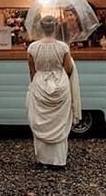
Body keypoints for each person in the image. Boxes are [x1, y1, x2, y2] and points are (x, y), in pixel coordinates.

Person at [26, 15, 81, 168]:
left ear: (41, 28)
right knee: (59, 121)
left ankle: (42, 160)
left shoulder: (32, 48)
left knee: (41, 121)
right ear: (55, 28)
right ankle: (58, 161)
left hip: (39, 84)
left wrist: (36, 85)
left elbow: (32, 71)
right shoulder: (63, 47)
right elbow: (68, 69)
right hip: (60, 85)